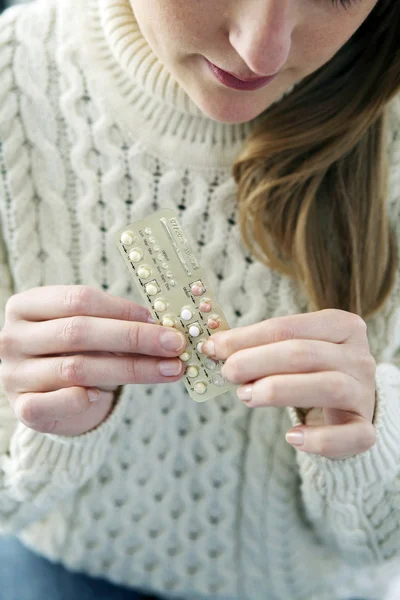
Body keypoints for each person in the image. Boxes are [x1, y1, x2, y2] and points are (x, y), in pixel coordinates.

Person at [0, 0, 399, 599]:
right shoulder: (15, 72)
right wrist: (40, 429)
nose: (262, 50)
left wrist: (367, 437)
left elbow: (383, 539)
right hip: (59, 567)